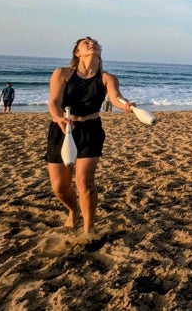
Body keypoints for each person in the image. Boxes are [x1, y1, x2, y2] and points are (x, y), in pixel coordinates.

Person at [46, 36, 135, 235]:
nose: (91, 43)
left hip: (90, 130)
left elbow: (117, 99)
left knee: (84, 182)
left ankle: (89, 228)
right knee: (60, 187)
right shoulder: (62, 73)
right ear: (77, 53)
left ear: (100, 52)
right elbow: (53, 101)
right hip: (61, 130)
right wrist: (59, 118)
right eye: (85, 43)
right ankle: (73, 210)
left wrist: (126, 105)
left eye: (94, 42)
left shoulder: (107, 78)